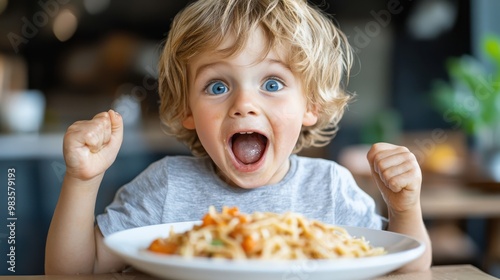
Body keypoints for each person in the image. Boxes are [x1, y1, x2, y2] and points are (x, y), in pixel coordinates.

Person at [45, 0, 432, 274]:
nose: (244, 104)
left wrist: (404, 208)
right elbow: (77, 271)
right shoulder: (165, 189)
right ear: (188, 111)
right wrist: (82, 180)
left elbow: (409, 269)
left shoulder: (330, 188)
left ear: (310, 105)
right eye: (217, 87)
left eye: (273, 82)